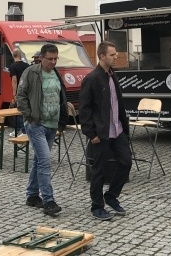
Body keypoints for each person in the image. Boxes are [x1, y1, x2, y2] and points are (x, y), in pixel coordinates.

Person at [79, 41, 133, 221]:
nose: (116, 57)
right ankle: (97, 206)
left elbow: (118, 104)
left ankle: (111, 196)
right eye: (112, 55)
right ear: (102, 56)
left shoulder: (112, 75)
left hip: (117, 131)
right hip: (101, 133)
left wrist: (124, 128)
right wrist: (91, 133)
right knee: (99, 170)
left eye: (116, 54)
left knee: (126, 162)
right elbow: (84, 108)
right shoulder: (92, 78)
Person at [16, 43, 68, 217]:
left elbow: (60, 96)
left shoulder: (56, 73)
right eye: (50, 59)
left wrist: (63, 117)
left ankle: (32, 195)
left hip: (52, 124)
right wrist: (30, 116)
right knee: (45, 160)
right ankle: (49, 201)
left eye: (55, 59)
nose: (53, 62)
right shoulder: (31, 72)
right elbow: (20, 95)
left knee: (39, 160)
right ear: (41, 58)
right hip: (36, 124)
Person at [7, 48, 29, 135]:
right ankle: (17, 130)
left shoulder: (13, 67)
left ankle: (23, 131)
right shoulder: (27, 65)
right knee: (24, 111)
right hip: (26, 90)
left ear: (13, 56)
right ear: (20, 55)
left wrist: (14, 93)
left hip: (19, 92)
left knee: (19, 112)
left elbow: (14, 80)